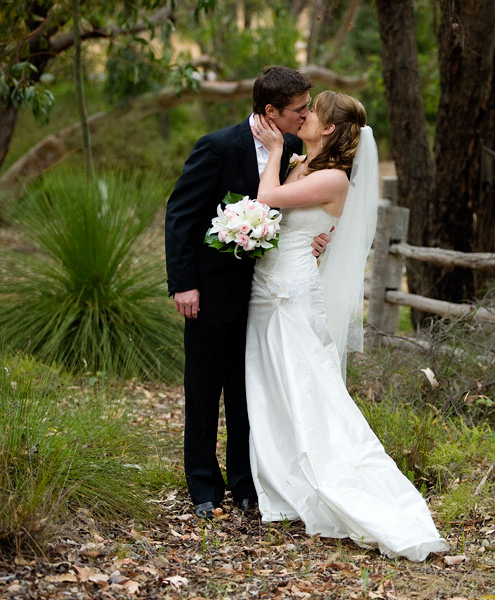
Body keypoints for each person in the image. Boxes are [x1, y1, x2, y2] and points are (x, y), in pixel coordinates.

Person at [244, 91, 449, 562]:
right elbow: (281, 220)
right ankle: (284, 486)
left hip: (290, 295)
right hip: (270, 286)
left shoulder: (333, 178)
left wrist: (273, 152)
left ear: (329, 129)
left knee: (310, 387)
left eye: (312, 111)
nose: (305, 115)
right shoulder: (306, 165)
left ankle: (347, 489)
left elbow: (268, 199)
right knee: (274, 387)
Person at [164, 66, 328, 519]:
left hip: (265, 294)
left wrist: (319, 236)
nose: (306, 114)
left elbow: (302, 211)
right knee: (203, 388)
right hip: (211, 291)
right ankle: (202, 484)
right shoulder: (216, 147)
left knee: (247, 391)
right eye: (299, 109)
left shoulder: (295, 150)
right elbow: (181, 216)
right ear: (270, 111)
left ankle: (246, 482)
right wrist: (184, 283)